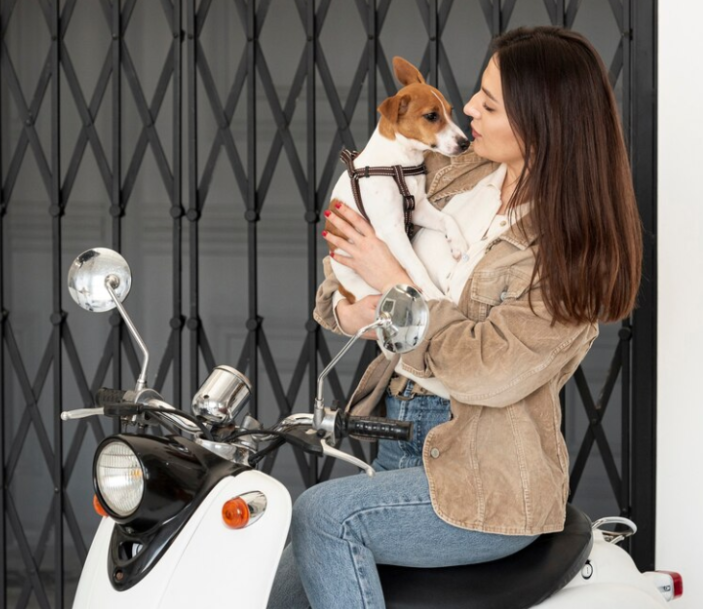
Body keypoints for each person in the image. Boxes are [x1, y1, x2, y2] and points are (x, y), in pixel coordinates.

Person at [267, 26, 643, 609]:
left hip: (487, 473)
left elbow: (487, 371)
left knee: (320, 515)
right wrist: (348, 307)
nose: (466, 109)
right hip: (399, 430)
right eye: (477, 93)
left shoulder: (570, 250)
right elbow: (349, 258)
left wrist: (392, 277)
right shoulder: (456, 174)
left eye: (488, 104)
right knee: (277, 586)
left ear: (541, 121)